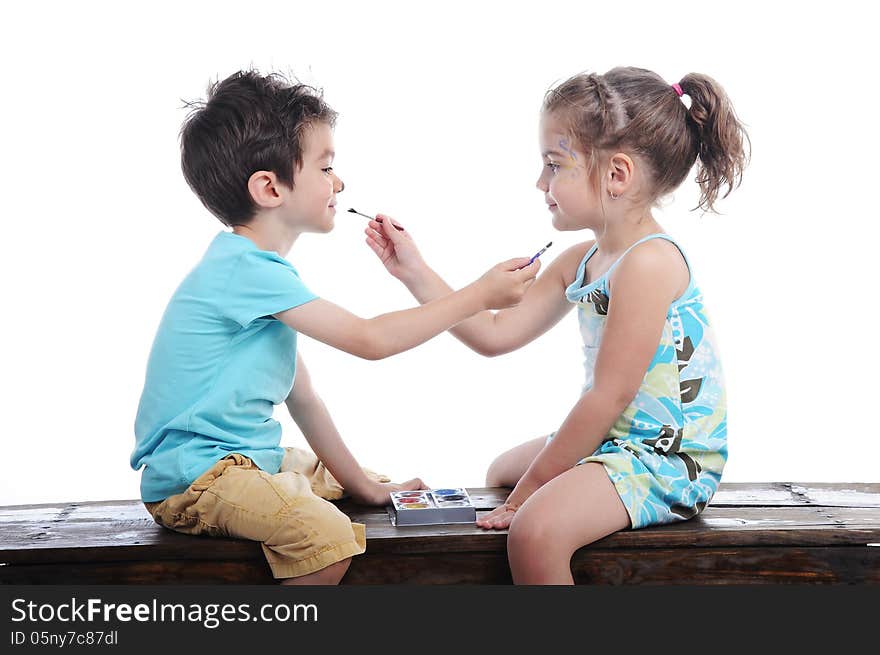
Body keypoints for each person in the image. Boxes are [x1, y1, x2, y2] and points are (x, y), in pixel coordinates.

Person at [132, 70, 540, 585]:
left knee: (362, 483)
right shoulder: (244, 270)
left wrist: (366, 489)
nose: (340, 183)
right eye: (326, 167)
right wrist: (478, 295)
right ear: (269, 187)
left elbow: (305, 399)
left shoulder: (257, 274)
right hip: (198, 477)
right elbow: (369, 340)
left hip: (241, 461)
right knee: (323, 534)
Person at [365, 67, 749, 584]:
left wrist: (530, 496)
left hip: (668, 457)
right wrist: (415, 271)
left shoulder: (649, 263)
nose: (540, 183)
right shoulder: (582, 259)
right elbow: (496, 333)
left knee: (533, 531)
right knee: (501, 471)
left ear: (617, 174)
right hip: (621, 438)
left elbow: (607, 397)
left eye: (553, 166)